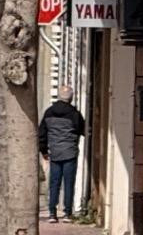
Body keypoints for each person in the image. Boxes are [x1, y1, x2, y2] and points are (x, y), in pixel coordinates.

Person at [38, 86, 85, 221]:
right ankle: (67, 213)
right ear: (71, 98)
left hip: (54, 153)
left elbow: (42, 134)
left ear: (59, 96)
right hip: (70, 152)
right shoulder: (74, 114)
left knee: (54, 183)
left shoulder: (49, 113)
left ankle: (52, 213)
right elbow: (82, 130)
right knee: (69, 183)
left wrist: (44, 151)